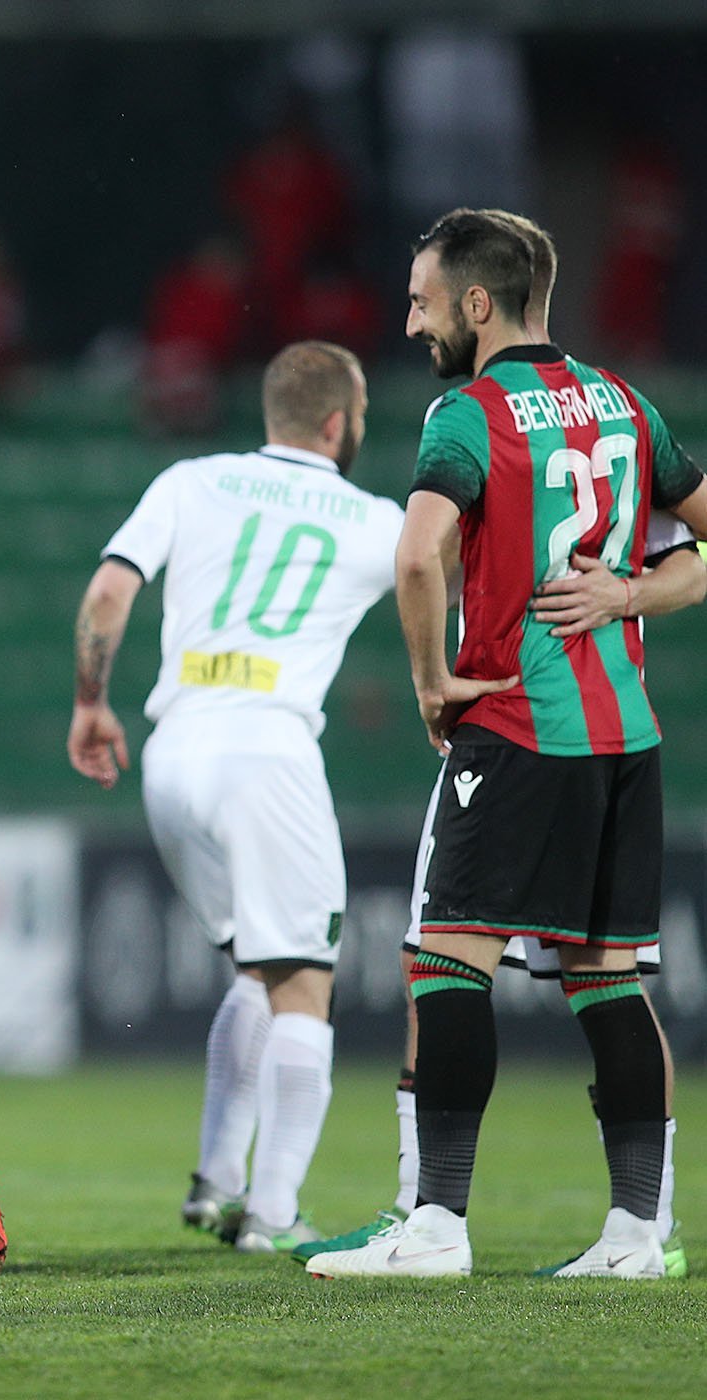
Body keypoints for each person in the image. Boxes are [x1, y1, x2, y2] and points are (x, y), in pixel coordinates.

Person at [296, 209, 698, 1276]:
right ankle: (634, 1235)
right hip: (625, 733)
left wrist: (432, 680)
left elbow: (416, 554)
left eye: (424, 299)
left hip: (520, 724)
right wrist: (631, 590)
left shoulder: (465, 415)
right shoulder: (623, 399)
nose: (411, 317)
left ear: (478, 304)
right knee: (605, 978)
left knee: (443, 958)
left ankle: (432, 1223)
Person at [70, 341, 404, 1254]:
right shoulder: (376, 520)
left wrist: (92, 704)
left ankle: (217, 1181)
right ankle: (274, 1209)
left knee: (256, 969)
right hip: (268, 748)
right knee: (304, 980)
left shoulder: (193, 479)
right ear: (338, 422)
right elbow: (431, 577)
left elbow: (108, 589)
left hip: (176, 751)